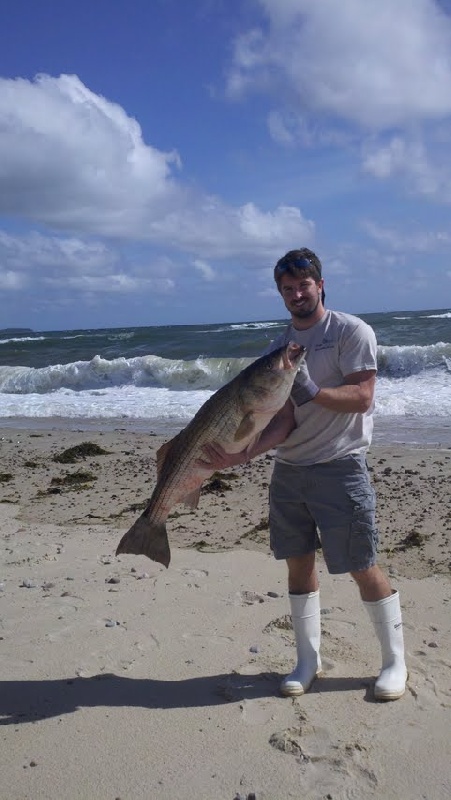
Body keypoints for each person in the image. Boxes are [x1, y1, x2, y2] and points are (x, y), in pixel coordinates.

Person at [201, 247, 407, 702]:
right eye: (287, 289)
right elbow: (283, 418)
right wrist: (243, 454)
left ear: (320, 283)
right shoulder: (280, 347)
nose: (297, 294)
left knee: (360, 562)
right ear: (281, 294)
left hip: (340, 464)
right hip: (289, 472)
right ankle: (307, 661)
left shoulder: (350, 331)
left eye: (303, 285)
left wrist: (314, 389)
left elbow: (362, 397)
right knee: (297, 563)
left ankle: (394, 661)